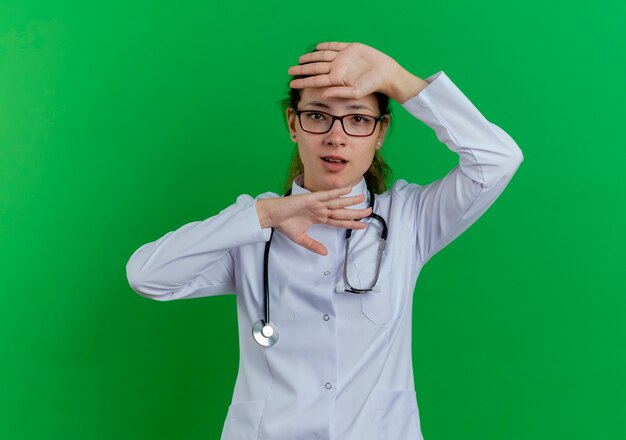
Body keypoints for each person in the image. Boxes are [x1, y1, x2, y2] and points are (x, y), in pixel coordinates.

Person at [126, 41, 524, 439]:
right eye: (318, 116)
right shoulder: (252, 229)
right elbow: (147, 276)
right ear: (292, 124)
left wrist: (398, 78)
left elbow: (498, 160)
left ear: (380, 131)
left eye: (358, 119)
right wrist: (263, 215)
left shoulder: (409, 220)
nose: (337, 137)